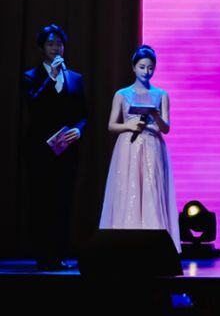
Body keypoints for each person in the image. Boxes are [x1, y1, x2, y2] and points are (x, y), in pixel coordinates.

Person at [20, 24, 88, 270]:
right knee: (41, 201)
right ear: (42, 48)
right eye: (50, 44)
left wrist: (79, 130)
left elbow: (83, 113)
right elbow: (34, 105)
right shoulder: (31, 76)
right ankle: (42, 255)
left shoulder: (75, 78)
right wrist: (51, 78)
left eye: (59, 44)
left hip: (66, 149)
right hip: (39, 150)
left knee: (63, 202)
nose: (56, 48)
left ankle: (59, 254)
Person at [99, 45, 179, 250]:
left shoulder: (161, 94)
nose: (146, 71)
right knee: (129, 188)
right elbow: (111, 125)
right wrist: (129, 125)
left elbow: (166, 128)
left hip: (152, 146)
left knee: (152, 190)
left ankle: (156, 246)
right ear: (134, 67)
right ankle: (124, 244)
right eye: (142, 67)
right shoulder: (121, 94)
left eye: (150, 68)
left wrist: (155, 115)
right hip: (129, 146)